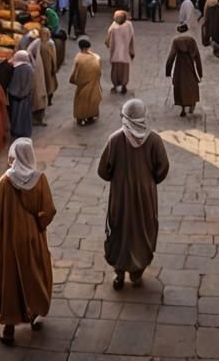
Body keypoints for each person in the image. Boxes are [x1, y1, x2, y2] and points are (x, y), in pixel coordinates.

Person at [0, 139, 56, 346]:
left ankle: (9, 329)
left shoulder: (4, 183)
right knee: (35, 274)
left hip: (9, 243)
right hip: (33, 239)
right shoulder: (39, 180)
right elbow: (48, 211)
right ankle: (33, 313)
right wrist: (39, 225)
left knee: (11, 281)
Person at [97, 100, 170, 290]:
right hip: (145, 195)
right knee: (143, 228)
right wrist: (150, 181)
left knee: (119, 228)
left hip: (121, 195)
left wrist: (117, 177)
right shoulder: (154, 140)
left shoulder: (115, 139)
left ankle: (119, 273)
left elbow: (103, 170)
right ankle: (137, 273)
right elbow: (163, 167)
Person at [165, 29, 203, 116]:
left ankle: (183, 108)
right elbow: (197, 56)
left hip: (180, 67)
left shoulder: (176, 41)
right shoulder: (191, 40)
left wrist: (168, 70)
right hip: (190, 66)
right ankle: (192, 105)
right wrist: (200, 73)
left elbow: (171, 57)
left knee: (180, 86)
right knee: (192, 85)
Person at [70, 37, 102, 126]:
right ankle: (90, 117)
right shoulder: (96, 57)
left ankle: (80, 118)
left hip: (83, 84)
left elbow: (75, 73)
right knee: (92, 101)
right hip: (94, 83)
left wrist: (74, 80)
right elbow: (99, 71)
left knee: (81, 102)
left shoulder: (79, 58)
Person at [105, 10, 136, 93]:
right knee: (125, 70)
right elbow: (132, 38)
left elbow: (108, 40)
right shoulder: (129, 25)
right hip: (125, 53)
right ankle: (124, 85)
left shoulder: (113, 26)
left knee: (115, 70)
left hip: (115, 53)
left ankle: (115, 86)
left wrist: (108, 44)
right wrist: (132, 51)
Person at [7, 51, 35, 139]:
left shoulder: (15, 68)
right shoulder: (29, 68)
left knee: (15, 115)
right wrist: (24, 93)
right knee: (24, 115)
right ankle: (24, 132)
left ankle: (15, 131)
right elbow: (29, 84)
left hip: (13, 96)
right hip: (25, 97)